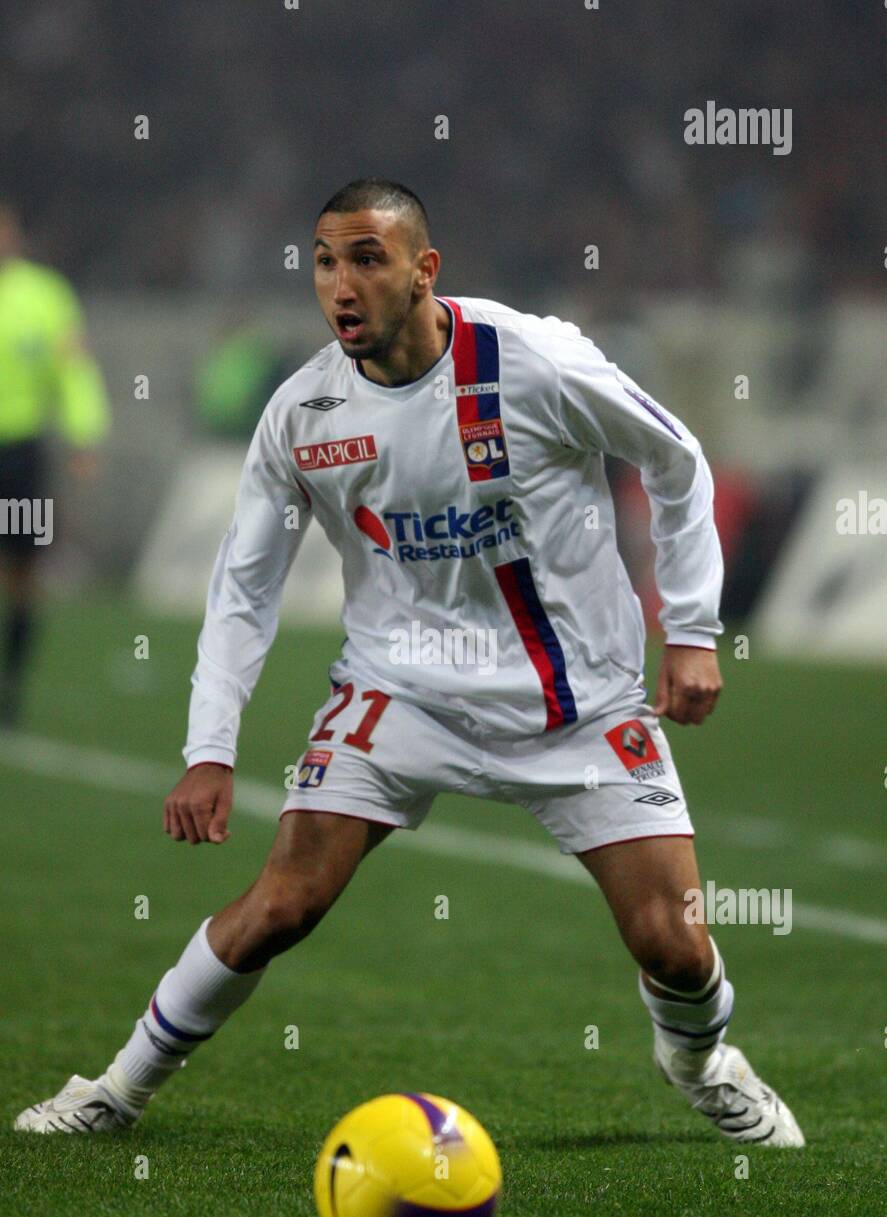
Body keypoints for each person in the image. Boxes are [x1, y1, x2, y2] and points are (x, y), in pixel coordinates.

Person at [15, 178, 803, 1147]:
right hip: (398, 696)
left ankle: (698, 1060)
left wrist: (688, 629)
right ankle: (117, 1087)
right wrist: (209, 748)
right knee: (279, 906)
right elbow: (243, 588)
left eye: (365, 258)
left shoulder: (534, 361)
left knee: (673, 946)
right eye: (322, 261)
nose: (339, 284)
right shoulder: (303, 412)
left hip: (577, 704)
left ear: (424, 269)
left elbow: (676, 457)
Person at [0, 201, 110, 726]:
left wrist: (84, 436)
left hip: (22, 454)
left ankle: (12, 681)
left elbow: (73, 371)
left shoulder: (46, 296)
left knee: (25, 569)